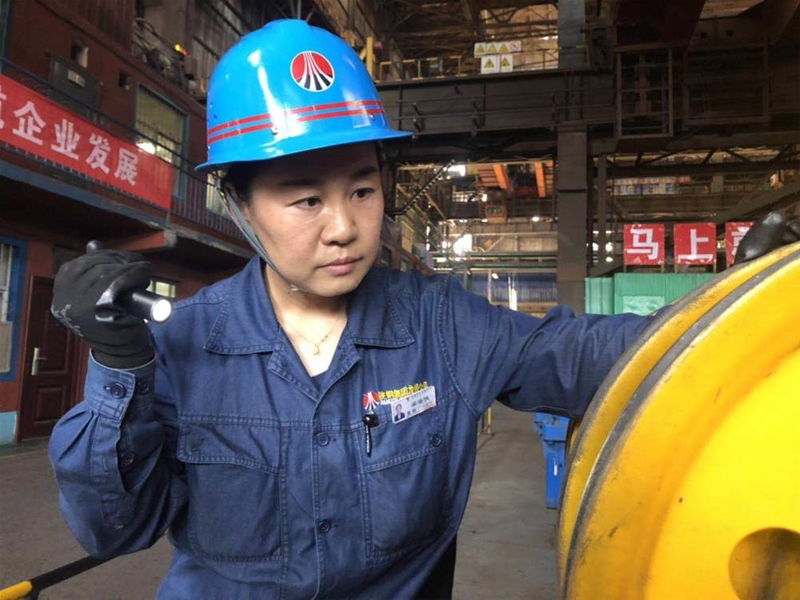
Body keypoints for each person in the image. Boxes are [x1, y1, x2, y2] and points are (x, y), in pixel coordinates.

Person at [47, 19, 798, 600]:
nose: (344, 227)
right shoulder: (183, 344)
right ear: (238, 203)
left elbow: (585, 356)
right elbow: (116, 529)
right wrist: (119, 367)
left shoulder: (443, 326)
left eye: (362, 189)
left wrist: (742, 301)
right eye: (305, 199)